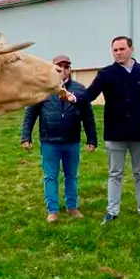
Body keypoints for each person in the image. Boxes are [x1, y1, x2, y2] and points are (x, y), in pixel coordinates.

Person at [81, 36, 140, 228]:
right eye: (115, 50)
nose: (118, 52)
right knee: (115, 173)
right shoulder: (106, 74)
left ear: (131, 49)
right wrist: (72, 97)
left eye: (122, 49)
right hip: (115, 133)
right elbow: (90, 94)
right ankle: (112, 211)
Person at [20, 54, 98, 223]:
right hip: (49, 142)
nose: (63, 69)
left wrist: (92, 139)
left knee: (72, 176)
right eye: (59, 66)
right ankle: (52, 210)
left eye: (66, 66)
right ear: (53, 68)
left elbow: (88, 116)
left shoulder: (79, 89)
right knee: (50, 176)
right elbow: (30, 114)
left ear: (70, 69)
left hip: (72, 141)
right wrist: (26, 136)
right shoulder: (43, 89)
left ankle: (72, 207)